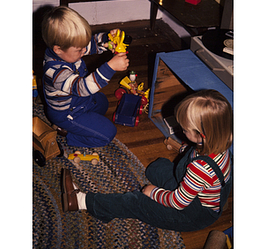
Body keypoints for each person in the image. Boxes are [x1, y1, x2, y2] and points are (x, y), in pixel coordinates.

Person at [61, 89, 233, 232]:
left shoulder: (200, 169)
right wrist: (186, 149)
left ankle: (83, 201)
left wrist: (153, 192)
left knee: (138, 202)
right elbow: (198, 159)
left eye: (185, 129)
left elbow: (177, 202)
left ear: (201, 136)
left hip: (190, 214)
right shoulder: (220, 140)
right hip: (198, 191)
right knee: (157, 167)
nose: (181, 131)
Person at [41, 6, 129, 147]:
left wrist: (108, 39)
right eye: (79, 49)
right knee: (107, 134)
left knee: (103, 102)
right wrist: (110, 67)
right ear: (58, 49)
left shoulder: (67, 50)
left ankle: (83, 122)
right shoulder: (55, 72)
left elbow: (92, 44)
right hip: (67, 114)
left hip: (79, 102)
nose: (84, 50)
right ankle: (67, 134)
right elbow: (82, 88)